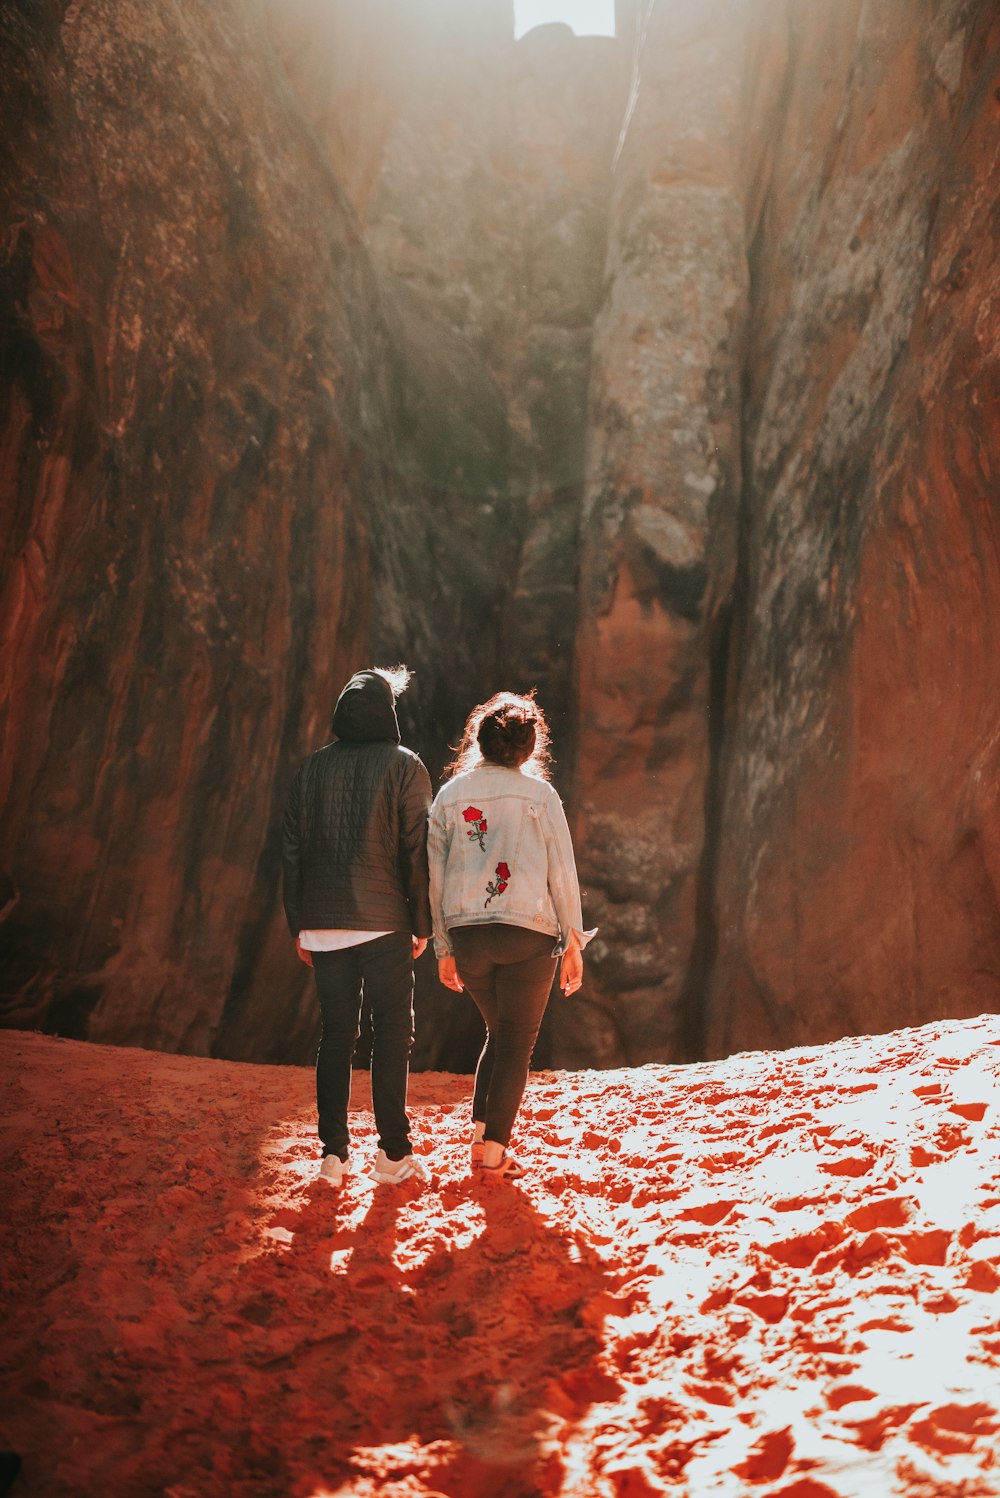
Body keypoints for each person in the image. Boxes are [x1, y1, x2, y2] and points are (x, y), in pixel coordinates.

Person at [428, 691, 595, 1179]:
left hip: (469, 937)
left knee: (498, 1034)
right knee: (516, 1042)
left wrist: (443, 947)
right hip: (529, 935)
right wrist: (572, 943)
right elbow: (562, 873)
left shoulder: (450, 795)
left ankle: (481, 1136)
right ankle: (495, 1153)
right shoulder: (541, 797)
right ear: (529, 747)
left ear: (479, 741)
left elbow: (433, 876)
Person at [282, 666, 433, 1187]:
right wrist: (423, 922)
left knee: (336, 1036)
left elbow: (293, 852)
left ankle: (333, 1156)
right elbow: (417, 850)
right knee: (392, 1033)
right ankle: (392, 1155)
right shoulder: (405, 766)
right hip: (386, 922)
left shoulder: (311, 769)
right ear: (389, 713)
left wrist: (299, 925)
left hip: (324, 927)